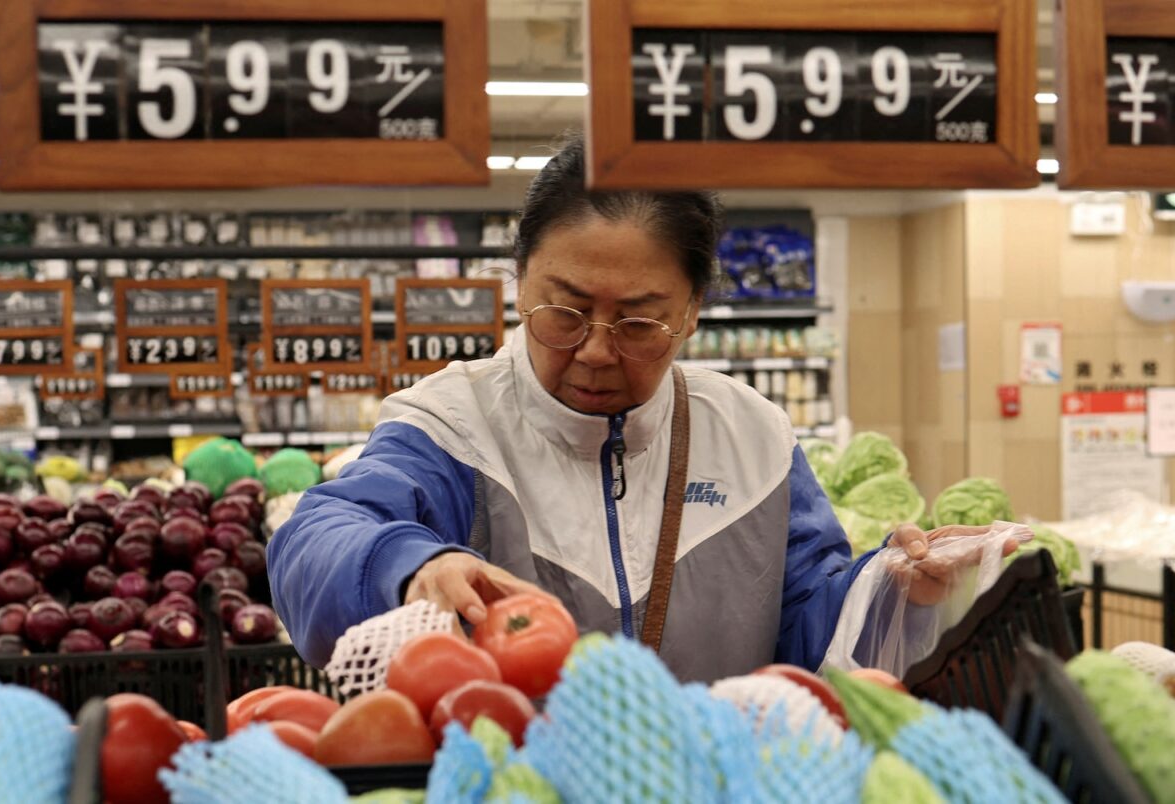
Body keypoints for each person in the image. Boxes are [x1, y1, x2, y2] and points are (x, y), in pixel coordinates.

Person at [265, 135, 1014, 683]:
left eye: (638, 322)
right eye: (564, 311)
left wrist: (891, 584)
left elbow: (804, 617)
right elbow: (316, 539)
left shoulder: (750, 435)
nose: (595, 350)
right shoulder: (455, 424)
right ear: (520, 280)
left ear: (692, 309)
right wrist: (411, 562)